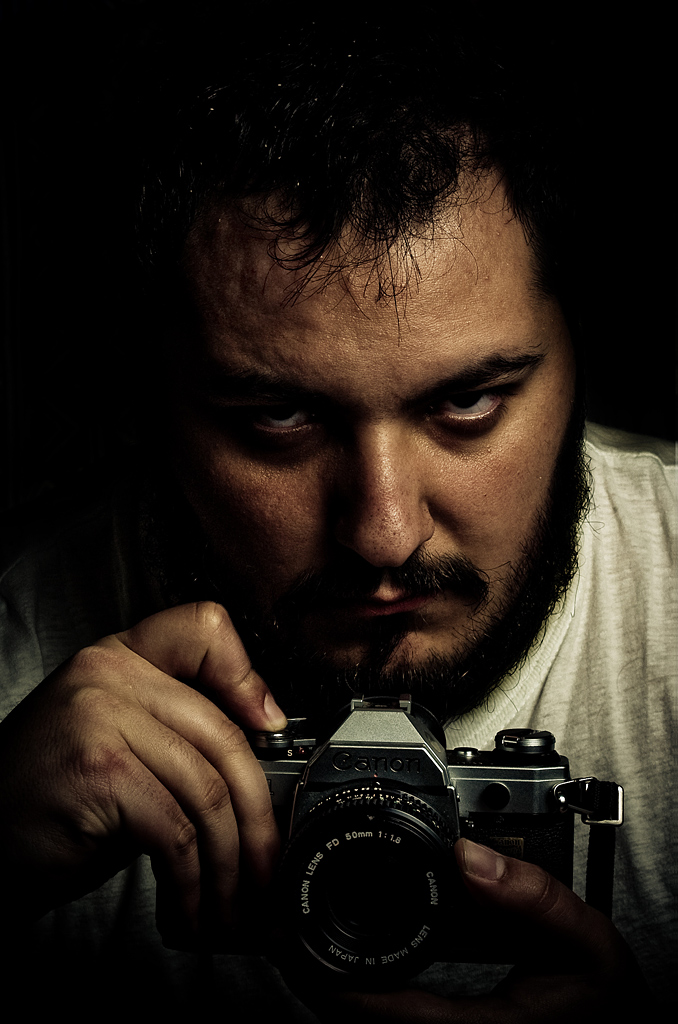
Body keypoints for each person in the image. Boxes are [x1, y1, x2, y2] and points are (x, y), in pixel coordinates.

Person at [0, 4, 674, 1019]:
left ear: (582, 361)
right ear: (152, 405)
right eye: (278, 418)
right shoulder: (17, 666)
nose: (384, 532)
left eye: (468, 402)